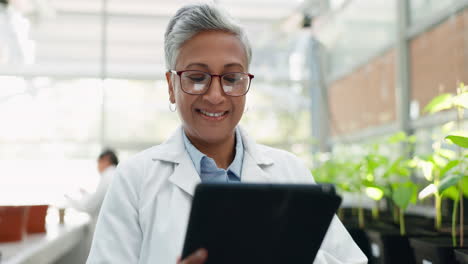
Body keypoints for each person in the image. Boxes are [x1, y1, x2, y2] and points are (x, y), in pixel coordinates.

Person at [86, 3, 367, 264]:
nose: (215, 96)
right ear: (172, 85)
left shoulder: (289, 171)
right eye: (197, 78)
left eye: (232, 79)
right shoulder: (135, 180)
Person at [66, 149, 118, 259]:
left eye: (98, 162)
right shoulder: (116, 174)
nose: (97, 166)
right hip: (113, 235)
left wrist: (69, 199)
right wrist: (88, 196)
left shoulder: (108, 175)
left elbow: (90, 206)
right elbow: (100, 200)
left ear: (106, 159)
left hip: (106, 236)